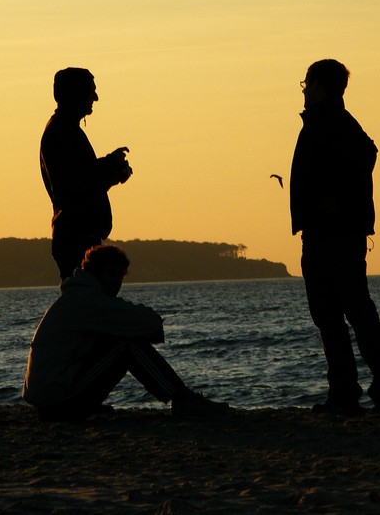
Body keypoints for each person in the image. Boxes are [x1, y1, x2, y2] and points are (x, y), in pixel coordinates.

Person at [289, 59, 380, 414]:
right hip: (328, 232)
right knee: (336, 314)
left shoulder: (331, 122)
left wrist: (335, 202)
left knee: (349, 312)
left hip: (333, 234)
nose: (304, 89)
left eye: (306, 83)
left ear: (319, 85)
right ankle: (349, 391)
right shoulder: (329, 121)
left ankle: (374, 388)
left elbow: (366, 155)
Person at [22, 245, 230, 421]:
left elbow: (143, 323)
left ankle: (183, 398)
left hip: (54, 397)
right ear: (96, 273)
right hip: (57, 401)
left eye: (120, 276)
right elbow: (150, 323)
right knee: (126, 345)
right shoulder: (88, 302)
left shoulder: (78, 298)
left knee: (121, 339)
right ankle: (183, 400)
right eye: (112, 275)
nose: (117, 283)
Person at [39, 68, 133, 281]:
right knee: (86, 302)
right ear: (76, 94)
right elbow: (77, 185)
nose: (95, 98)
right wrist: (111, 167)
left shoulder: (63, 130)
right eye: (91, 91)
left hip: (77, 238)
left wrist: (111, 169)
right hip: (76, 240)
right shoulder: (62, 132)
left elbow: (82, 180)